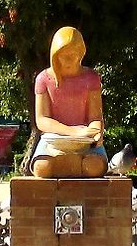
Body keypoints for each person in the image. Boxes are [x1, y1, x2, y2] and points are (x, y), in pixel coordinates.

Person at [31, 27, 107, 178]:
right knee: (42, 168)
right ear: (55, 56)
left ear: (81, 54)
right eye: (63, 56)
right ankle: (69, 164)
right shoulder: (44, 79)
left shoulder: (91, 78)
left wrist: (96, 133)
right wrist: (74, 132)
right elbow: (42, 120)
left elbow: (95, 117)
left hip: (85, 143)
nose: (68, 61)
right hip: (53, 142)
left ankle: (70, 164)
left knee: (94, 167)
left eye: (72, 56)